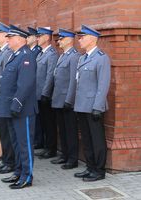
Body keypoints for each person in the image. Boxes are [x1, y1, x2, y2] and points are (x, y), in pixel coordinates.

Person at [0, 25, 37, 189]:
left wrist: (16, 104)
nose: (8, 40)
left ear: (20, 39)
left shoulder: (27, 56)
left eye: (10, 37)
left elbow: (25, 85)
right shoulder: (15, 55)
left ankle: (27, 177)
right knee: (16, 143)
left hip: (22, 109)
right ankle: (18, 171)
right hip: (12, 109)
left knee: (24, 143)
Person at [74, 25, 111, 182]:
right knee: (87, 139)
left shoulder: (101, 58)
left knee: (97, 140)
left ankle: (99, 170)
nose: (80, 40)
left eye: (82, 37)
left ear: (92, 38)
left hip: (93, 107)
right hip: (82, 105)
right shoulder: (83, 58)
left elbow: (103, 85)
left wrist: (97, 107)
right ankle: (90, 167)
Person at [51, 28, 80, 169]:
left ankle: (72, 159)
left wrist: (69, 100)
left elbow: (73, 81)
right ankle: (64, 155)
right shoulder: (62, 56)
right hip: (58, 99)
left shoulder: (74, 56)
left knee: (70, 130)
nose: (59, 42)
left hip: (67, 101)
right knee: (62, 129)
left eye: (61, 39)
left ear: (69, 40)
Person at [0, 22, 15, 174]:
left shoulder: (7, 53)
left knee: (7, 132)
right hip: (0, 99)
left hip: (4, 99)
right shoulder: (3, 52)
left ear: (6, 37)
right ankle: (7, 160)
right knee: (4, 131)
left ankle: (9, 161)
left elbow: (6, 79)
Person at [35, 27, 59, 159]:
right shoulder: (40, 54)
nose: (37, 38)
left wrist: (45, 93)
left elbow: (50, 75)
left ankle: (51, 149)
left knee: (49, 123)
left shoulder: (52, 54)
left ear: (47, 37)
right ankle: (45, 146)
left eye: (39, 36)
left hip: (46, 96)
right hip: (38, 94)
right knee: (43, 122)